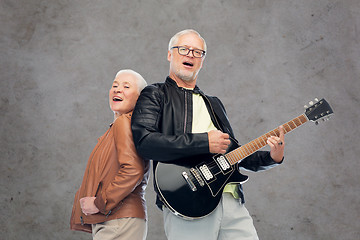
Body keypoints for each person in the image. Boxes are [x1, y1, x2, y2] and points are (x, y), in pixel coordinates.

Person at [131, 29, 285, 240]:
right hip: (188, 199)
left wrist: (272, 157)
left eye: (197, 52)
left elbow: (233, 153)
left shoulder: (214, 103)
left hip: (231, 200)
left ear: (202, 61)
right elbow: (145, 142)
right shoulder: (155, 94)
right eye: (184, 49)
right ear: (170, 54)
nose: (190, 55)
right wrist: (204, 142)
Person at [70, 69, 149, 240]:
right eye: (115, 85)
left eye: (126, 86)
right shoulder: (120, 127)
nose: (118, 89)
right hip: (116, 220)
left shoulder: (124, 123)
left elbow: (133, 170)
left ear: (140, 98)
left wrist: (100, 202)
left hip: (118, 220)